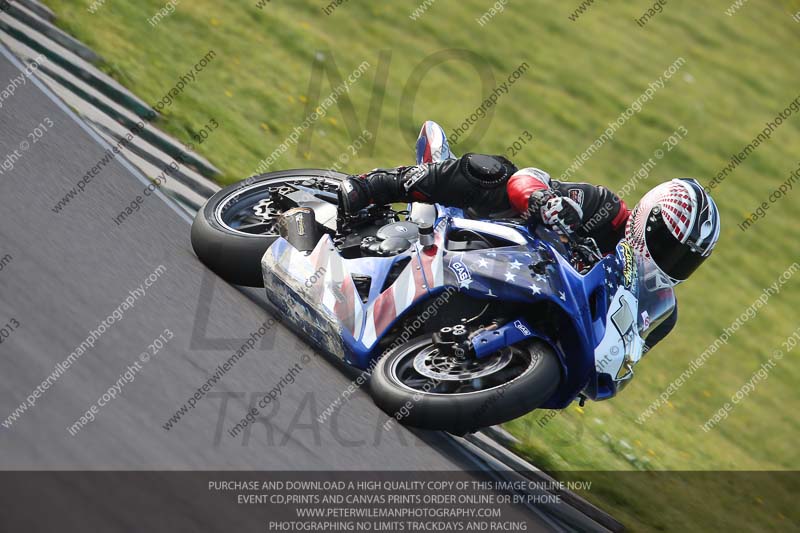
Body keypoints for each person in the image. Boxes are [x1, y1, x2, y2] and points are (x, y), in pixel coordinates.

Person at [338, 121, 721, 350]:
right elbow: (530, 178)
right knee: (493, 172)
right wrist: (543, 201)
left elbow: (625, 358)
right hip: (494, 239)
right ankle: (375, 185)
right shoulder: (604, 210)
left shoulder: (657, 310)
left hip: (533, 305)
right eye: (669, 247)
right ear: (647, 219)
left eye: (684, 259)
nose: (671, 262)